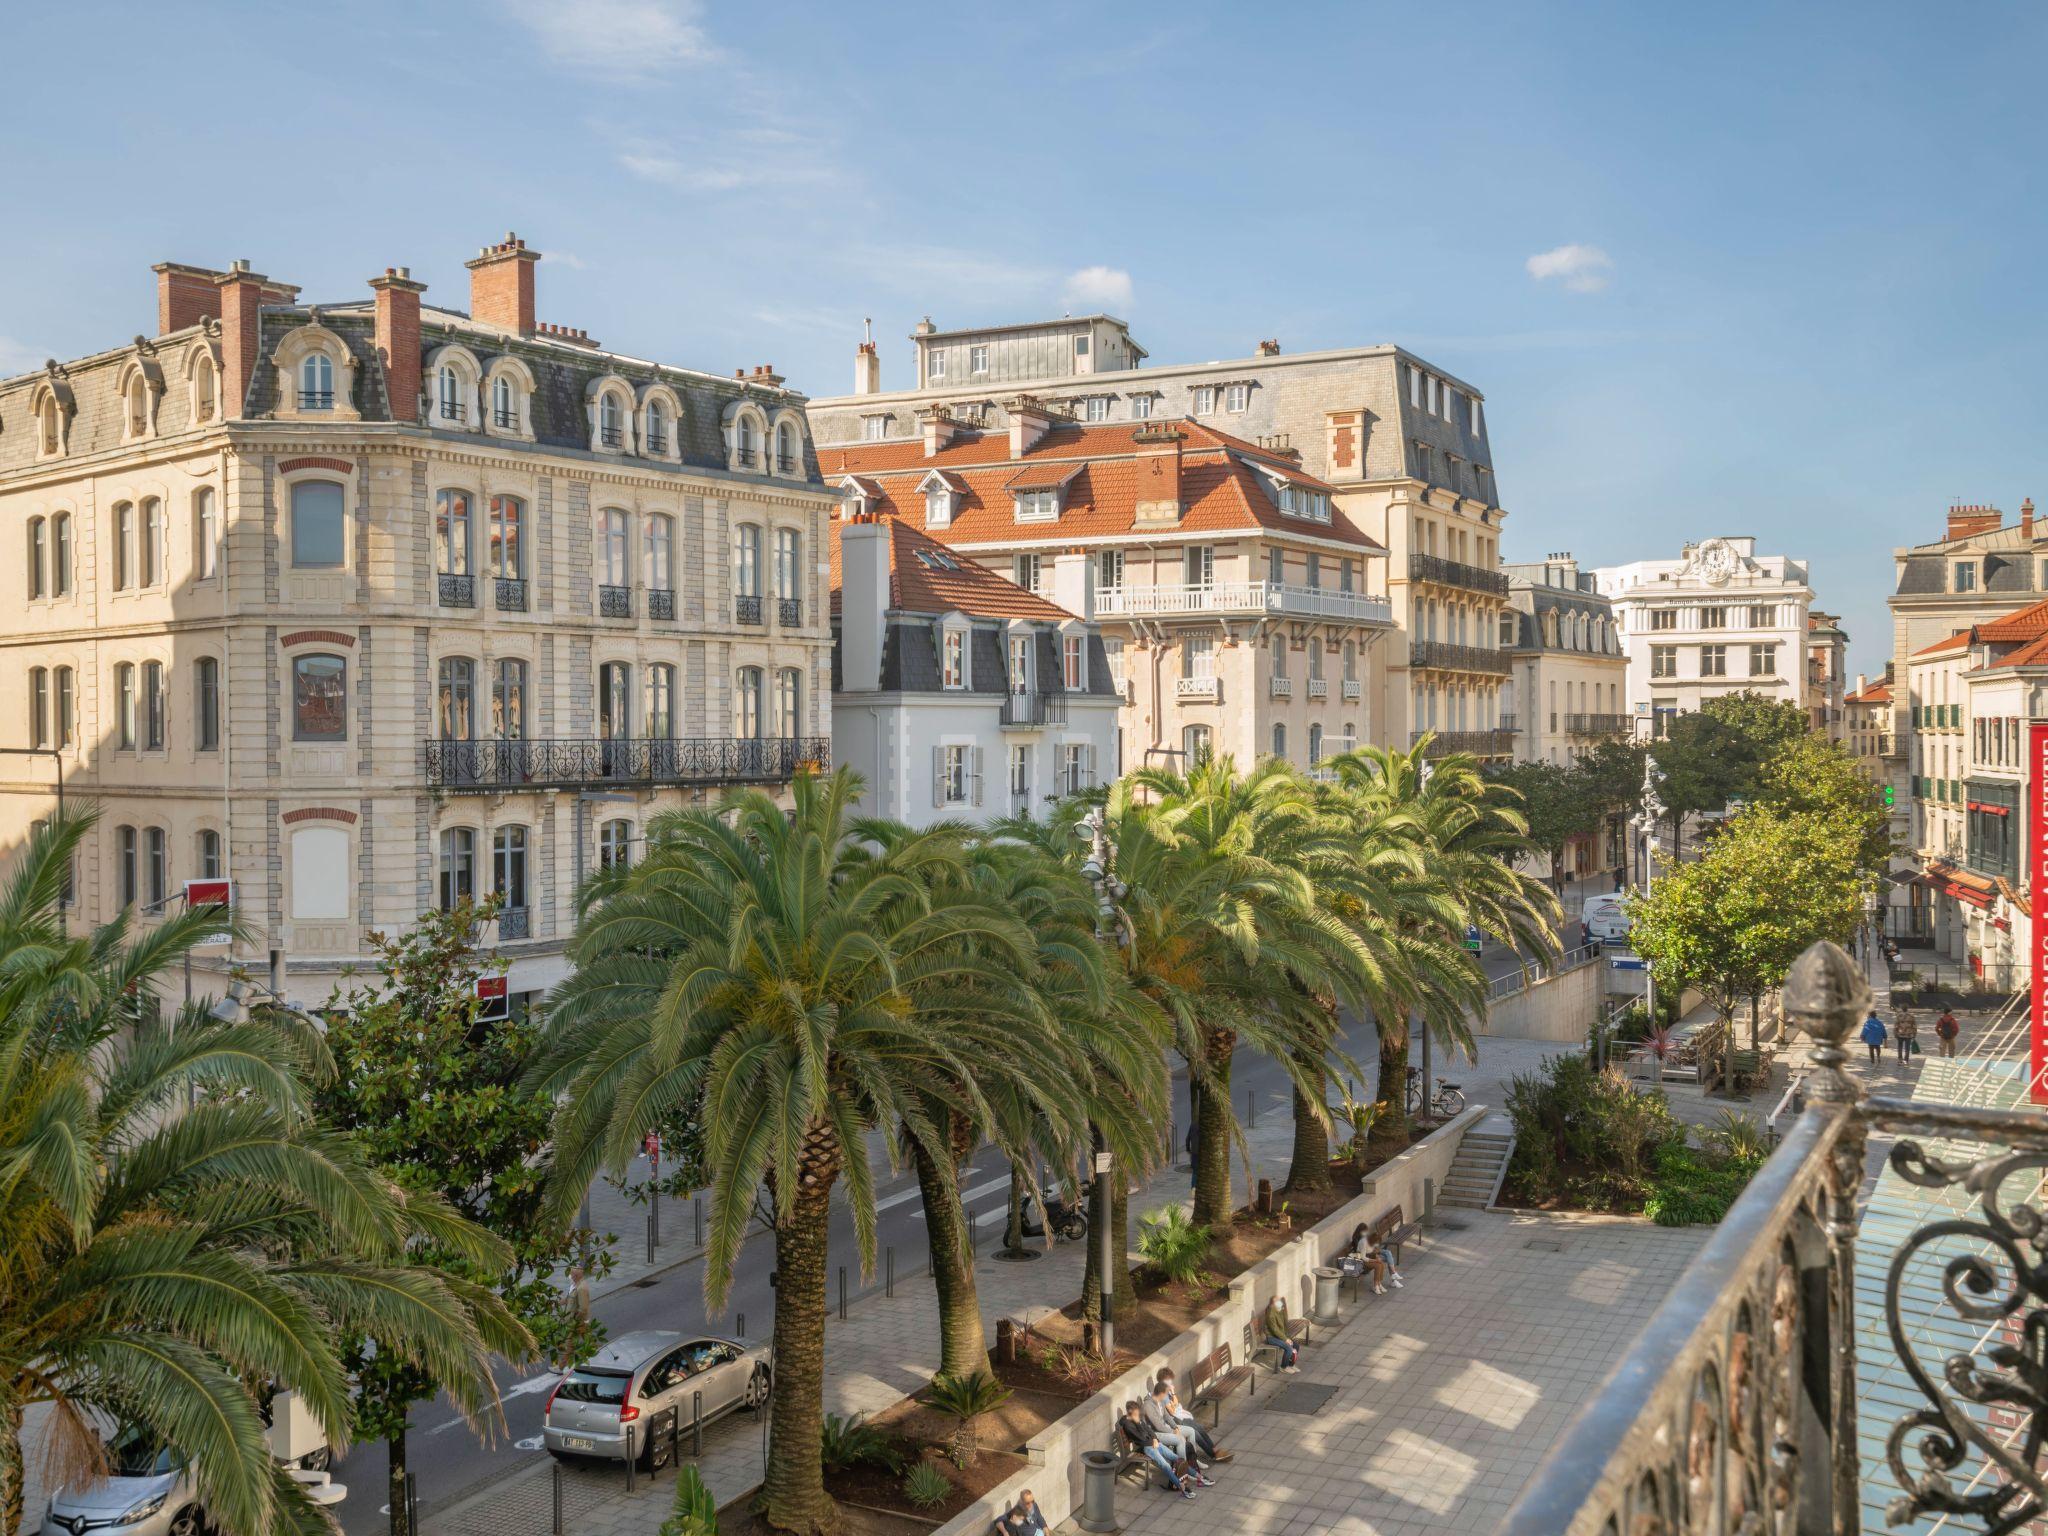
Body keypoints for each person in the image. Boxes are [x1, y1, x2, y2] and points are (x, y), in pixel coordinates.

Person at [1120, 1400, 1198, 1498]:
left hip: (1154, 1443)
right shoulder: (1128, 1425)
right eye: (1136, 1413)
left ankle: (1196, 1475)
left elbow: (1149, 1430)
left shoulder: (1136, 1418)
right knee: (1165, 1465)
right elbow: (1142, 1439)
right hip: (1147, 1447)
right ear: (1130, 1413)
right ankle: (1182, 1487)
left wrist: (1155, 1439)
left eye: (1138, 1413)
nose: (1138, 1415)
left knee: (1176, 1458)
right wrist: (1138, 1423)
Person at [1152, 1370, 1230, 1463]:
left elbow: (1176, 1404)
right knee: (1196, 1433)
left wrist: (1173, 1392)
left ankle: (1215, 1450)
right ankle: (1212, 1454)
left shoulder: (1167, 1390)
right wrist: (1173, 1403)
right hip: (1176, 1420)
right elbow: (1172, 1412)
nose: (1171, 1382)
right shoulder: (1162, 1393)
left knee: (1200, 1428)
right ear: (1163, 1380)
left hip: (1179, 1415)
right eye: (1169, 1380)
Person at [1139, 1383, 1213, 1480]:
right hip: (1155, 1434)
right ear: (1160, 1394)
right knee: (1180, 1439)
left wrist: (1175, 1427)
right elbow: (1158, 1426)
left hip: (1165, 1428)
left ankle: (1193, 1462)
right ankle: (1184, 1470)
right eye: (1166, 1394)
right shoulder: (1148, 1406)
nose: (1166, 1397)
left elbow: (1166, 1416)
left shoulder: (1159, 1400)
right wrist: (1173, 1432)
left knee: (1191, 1431)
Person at [1262, 1296, 1300, 1372]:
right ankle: (1284, 1367)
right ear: (1273, 1303)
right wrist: (1285, 1339)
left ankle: (1290, 1365)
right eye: (1278, 1301)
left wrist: (1287, 1337)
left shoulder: (1279, 1310)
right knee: (1288, 1348)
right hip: (1271, 1338)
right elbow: (1275, 1330)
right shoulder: (1270, 1314)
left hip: (1280, 1335)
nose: (1280, 1303)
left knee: (1296, 1345)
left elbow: (1284, 1324)